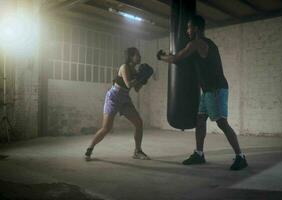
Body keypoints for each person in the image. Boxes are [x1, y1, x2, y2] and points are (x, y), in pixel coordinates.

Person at [157, 15, 247, 170]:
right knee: (200, 120)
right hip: (207, 91)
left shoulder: (197, 43)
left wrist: (161, 56)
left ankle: (241, 157)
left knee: (222, 123)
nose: (187, 31)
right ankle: (199, 154)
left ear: (196, 28)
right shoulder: (209, 44)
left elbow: (177, 58)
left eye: (189, 27)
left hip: (216, 89)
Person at [85, 47, 150, 161]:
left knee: (139, 123)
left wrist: (144, 79)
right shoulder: (124, 67)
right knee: (106, 128)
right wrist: (140, 77)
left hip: (125, 99)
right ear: (131, 56)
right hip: (113, 98)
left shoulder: (135, 71)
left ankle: (137, 151)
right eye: (137, 55)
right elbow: (129, 84)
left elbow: (137, 89)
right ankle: (90, 148)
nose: (139, 57)